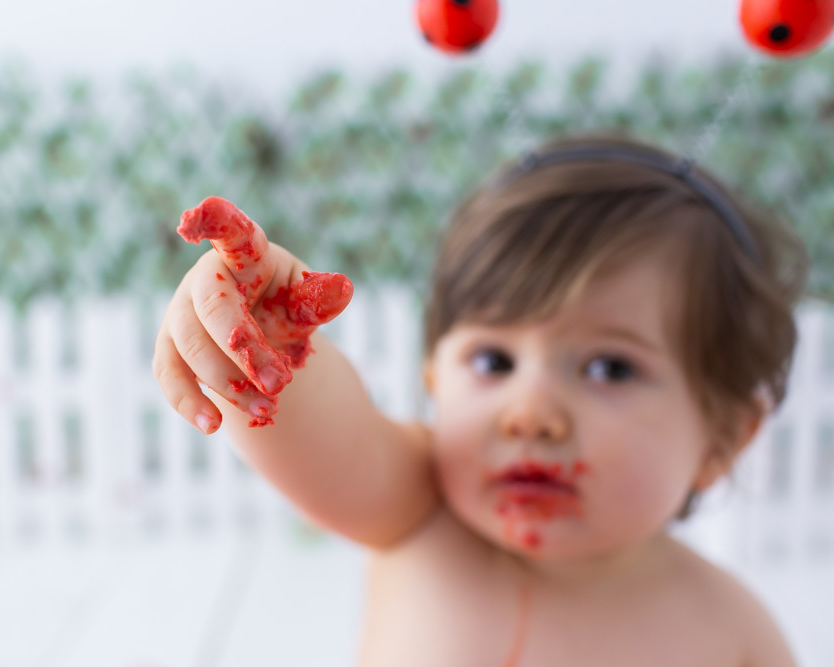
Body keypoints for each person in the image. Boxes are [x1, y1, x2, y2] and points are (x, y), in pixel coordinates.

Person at [152, 132, 808, 666]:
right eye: (494, 360)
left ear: (723, 437)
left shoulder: (731, 634)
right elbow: (334, 445)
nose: (531, 413)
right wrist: (272, 343)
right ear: (436, 378)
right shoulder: (414, 509)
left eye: (610, 367)